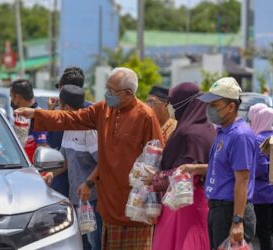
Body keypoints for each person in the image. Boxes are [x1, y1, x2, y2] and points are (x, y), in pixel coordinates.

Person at [15, 67, 163, 250]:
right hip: (108, 203)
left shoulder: (145, 116)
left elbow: (156, 158)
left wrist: (146, 197)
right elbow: (73, 118)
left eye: (112, 91)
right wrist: (37, 114)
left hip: (134, 205)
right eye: (106, 89)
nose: (107, 94)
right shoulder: (104, 109)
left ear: (128, 93)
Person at [193, 77, 257, 249]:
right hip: (218, 210)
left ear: (231, 107)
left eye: (215, 104)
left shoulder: (240, 135)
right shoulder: (223, 132)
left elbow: (242, 179)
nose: (209, 109)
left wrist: (237, 221)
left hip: (231, 211)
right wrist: (194, 168)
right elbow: (221, 169)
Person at [151, 82, 216, 250]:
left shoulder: (187, 132)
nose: (172, 109)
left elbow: (182, 170)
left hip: (182, 202)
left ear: (185, 103)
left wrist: (156, 178)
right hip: (203, 200)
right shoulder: (209, 128)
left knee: (181, 242)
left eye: (173, 104)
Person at [46, 84, 102, 250]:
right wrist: (50, 173)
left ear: (67, 108)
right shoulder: (69, 128)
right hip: (76, 200)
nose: (57, 110)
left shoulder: (89, 131)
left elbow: (104, 162)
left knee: (94, 245)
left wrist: (88, 184)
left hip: (92, 201)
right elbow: (64, 162)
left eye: (59, 106)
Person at [46, 67, 87, 196]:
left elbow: (53, 143)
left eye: (59, 87)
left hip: (72, 186)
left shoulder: (65, 115)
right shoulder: (92, 110)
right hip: (77, 183)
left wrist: (52, 116)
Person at [249, 104, 273, 250]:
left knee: (263, 232)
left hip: (261, 193)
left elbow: (260, 169)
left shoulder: (258, 140)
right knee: (272, 229)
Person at [10, 79, 47, 163]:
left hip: (29, 170)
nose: (11, 101)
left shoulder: (38, 118)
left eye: (12, 97)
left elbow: (42, 150)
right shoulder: (19, 114)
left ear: (18, 98)